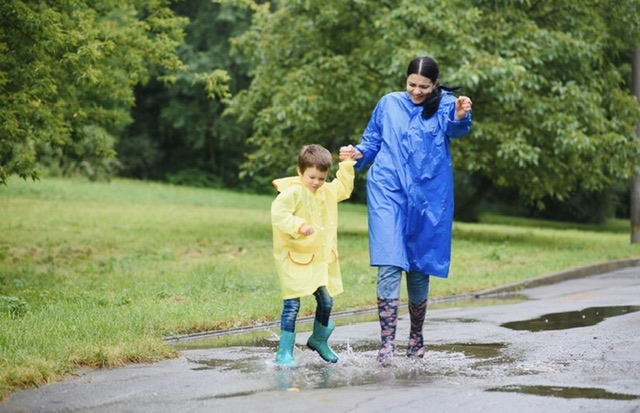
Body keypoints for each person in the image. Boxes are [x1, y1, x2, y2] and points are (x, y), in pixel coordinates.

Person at [340, 56, 473, 364]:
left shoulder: (445, 105)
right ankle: (386, 342)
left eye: (423, 86)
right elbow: (371, 143)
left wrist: (460, 114)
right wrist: (356, 153)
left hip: (429, 195)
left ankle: (416, 335)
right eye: (411, 84)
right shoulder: (388, 104)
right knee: (389, 260)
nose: (416, 91)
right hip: (388, 189)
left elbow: (456, 130)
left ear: (435, 84)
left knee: (417, 264)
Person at [271, 144, 356, 367]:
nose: (317, 182)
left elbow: (344, 189)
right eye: (312, 177)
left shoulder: (326, 191)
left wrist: (346, 164)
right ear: (300, 171)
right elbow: (279, 215)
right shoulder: (292, 192)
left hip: (319, 260)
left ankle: (318, 338)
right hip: (294, 258)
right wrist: (299, 225)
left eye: (321, 178)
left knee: (326, 299)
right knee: (292, 304)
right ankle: (284, 351)